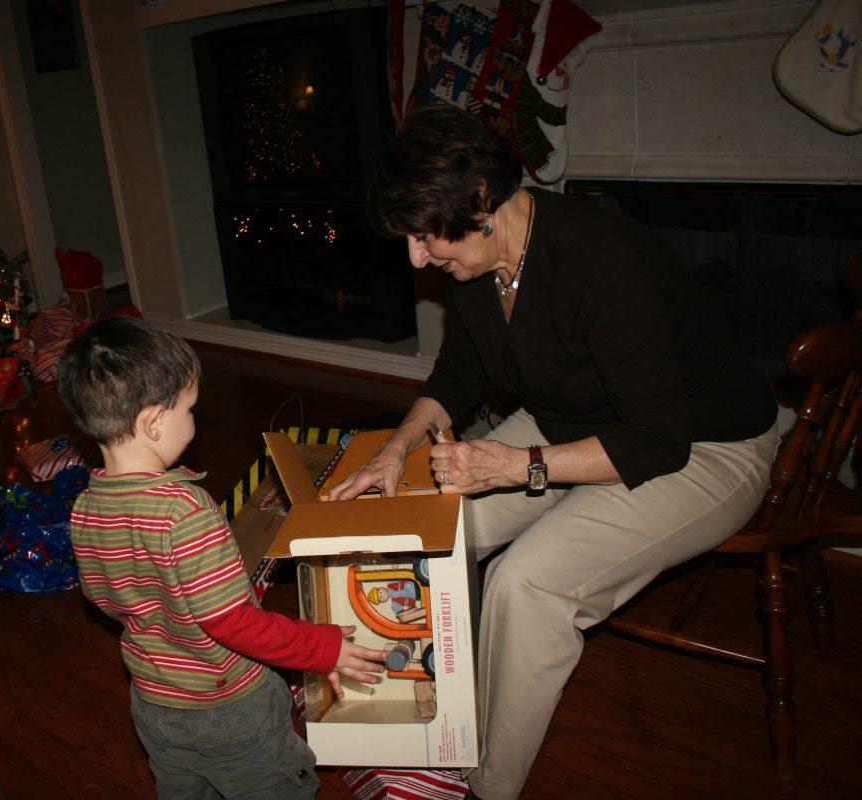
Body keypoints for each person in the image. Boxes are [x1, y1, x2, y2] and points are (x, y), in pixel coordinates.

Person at [329, 103, 780, 800]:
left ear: (481, 199)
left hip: (705, 445)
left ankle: (482, 784)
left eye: (424, 234)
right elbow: (457, 378)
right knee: (434, 528)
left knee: (527, 583)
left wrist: (519, 466)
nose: (417, 257)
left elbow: (655, 438)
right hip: (580, 418)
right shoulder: (479, 268)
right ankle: (428, 715)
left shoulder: (602, 262)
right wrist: (396, 450)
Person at [56, 316, 388, 800]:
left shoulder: (87, 508)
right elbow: (232, 625)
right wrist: (324, 648)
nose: (195, 418)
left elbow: (105, 597)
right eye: (189, 408)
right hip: (229, 706)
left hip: (153, 702)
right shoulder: (185, 510)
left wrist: (185, 605)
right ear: (153, 422)